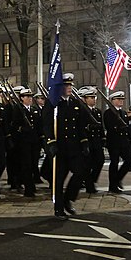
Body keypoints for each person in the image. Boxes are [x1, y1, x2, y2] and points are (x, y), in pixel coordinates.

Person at [42, 73, 89, 219]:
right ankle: (59, 208)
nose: (69, 88)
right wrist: (50, 142)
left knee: (80, 172)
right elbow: (46, 125)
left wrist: (84, 141)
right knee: (59, 179)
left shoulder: (75, 104)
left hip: (73, 147)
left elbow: (80, 125)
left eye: (70, 85)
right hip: (59, 148)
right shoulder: (52, 104)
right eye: (66, 85)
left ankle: (68, 198)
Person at [11, 88, 42, 199]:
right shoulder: (18, 109)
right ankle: (28, 188)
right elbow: (14, 125)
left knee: (33, 163)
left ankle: (26, 183)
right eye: (27, 97)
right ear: (22, 98)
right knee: (26, 165)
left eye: (30, 96)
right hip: (23, 142)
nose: (29, 98)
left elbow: (39, 125)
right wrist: (22, 129)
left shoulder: (34, 109)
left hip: (34, 141)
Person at [103, 91, 131, 193]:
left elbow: (127, 127)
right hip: (114, 142)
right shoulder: (108, 113)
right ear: (112, 101)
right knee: (114, 163)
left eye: (122, 99)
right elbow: (110, 127)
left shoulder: (124, 113)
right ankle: (112, 186)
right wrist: (119, 127)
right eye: (118, 99)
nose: (121, 101)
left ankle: (118, 178)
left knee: (129, 161)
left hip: (124, 142)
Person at [77, 86, 105, 194]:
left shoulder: (97, 111)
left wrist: (103, 137)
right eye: (91, 97)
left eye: (94, 97)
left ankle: (90, 180)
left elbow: (101, 126)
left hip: (96, 141)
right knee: (87, 164)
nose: (93, 99)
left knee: (100, 161)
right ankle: (89, 186)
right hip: (87, 141)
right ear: (84, 99)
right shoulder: (81, 111)